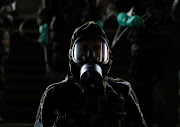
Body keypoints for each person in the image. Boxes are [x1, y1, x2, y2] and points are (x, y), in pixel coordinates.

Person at [34, 21, 148, 127]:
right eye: (83, 50)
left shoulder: (122, 92)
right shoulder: (55, 94)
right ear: (72, 56)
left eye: (97, 50)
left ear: (108, 56)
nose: (91, 57)